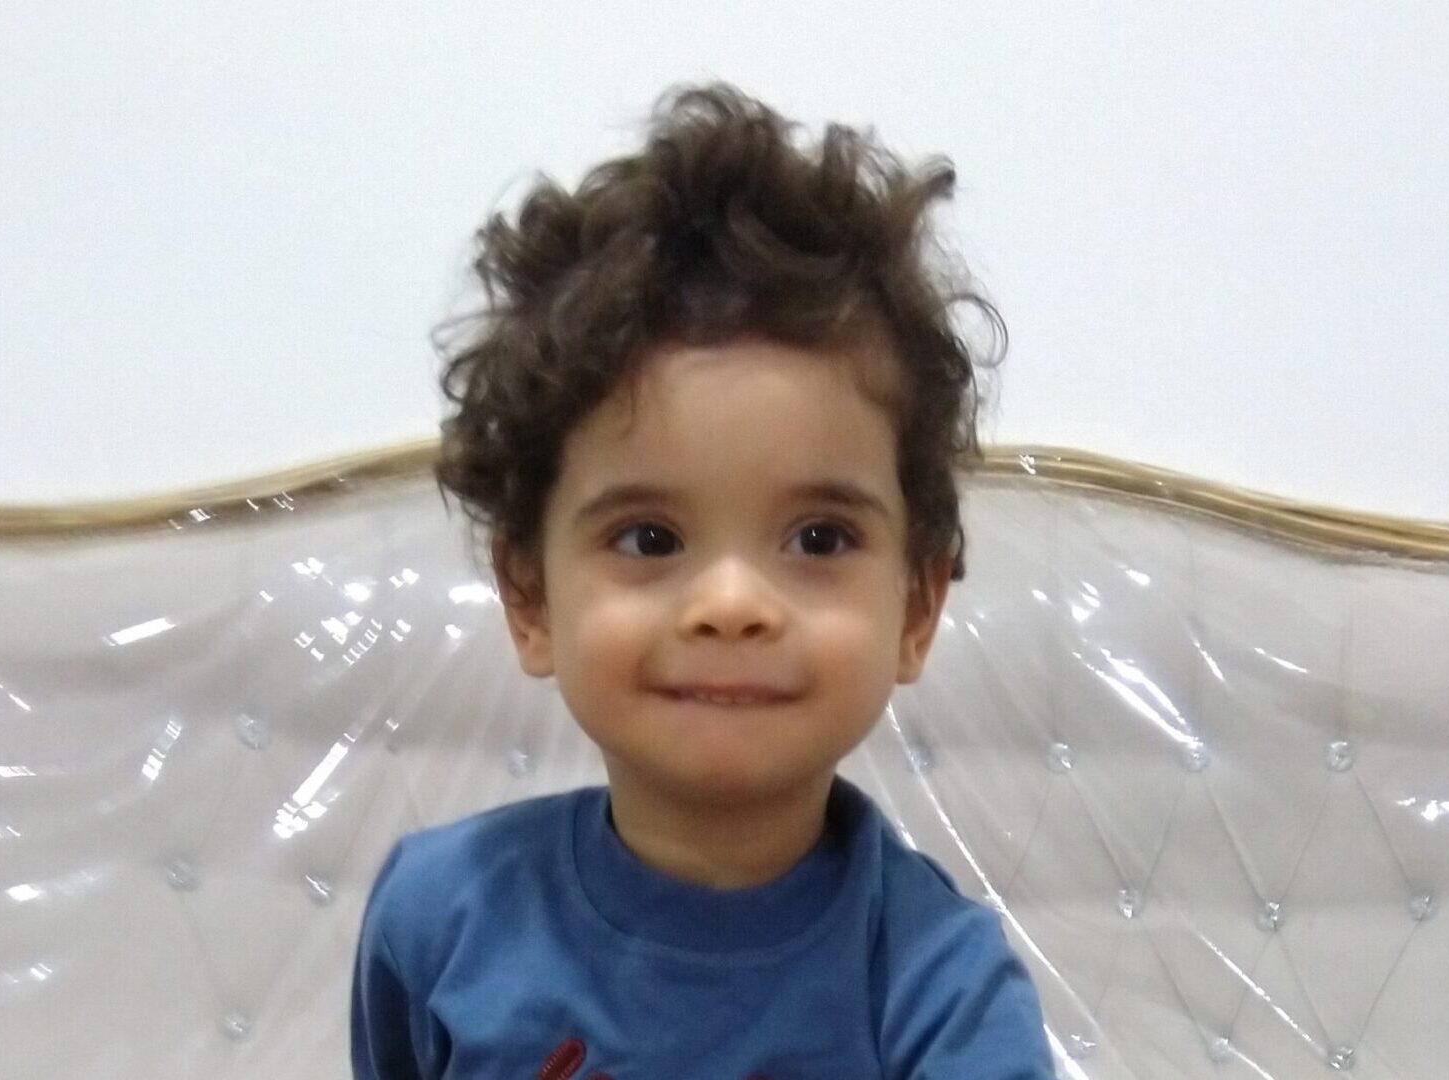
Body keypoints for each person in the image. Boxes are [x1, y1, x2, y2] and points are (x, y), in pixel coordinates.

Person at [350, 80, 1055, 1079]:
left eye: (816, 539)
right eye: (647, 539)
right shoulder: (434, 915)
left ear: (916, 605)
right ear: (530, 595)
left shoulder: (942, 993)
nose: (730, 605)